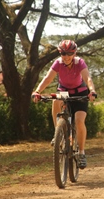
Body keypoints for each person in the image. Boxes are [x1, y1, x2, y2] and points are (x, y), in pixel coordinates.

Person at [32, 40, 97, 169]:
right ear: (60, 53)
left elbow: (87, 78)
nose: (66, 57)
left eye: (69, 53)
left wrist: (92, 91)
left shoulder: (80, 62)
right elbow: (47, 78)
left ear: (74, 53)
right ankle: (58, 132)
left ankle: (81, 153)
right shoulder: (58, 63)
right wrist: (37, 91)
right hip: (64, 92)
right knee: (56, 99)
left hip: (80, 93)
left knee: (79, 121)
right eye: (63, 53)